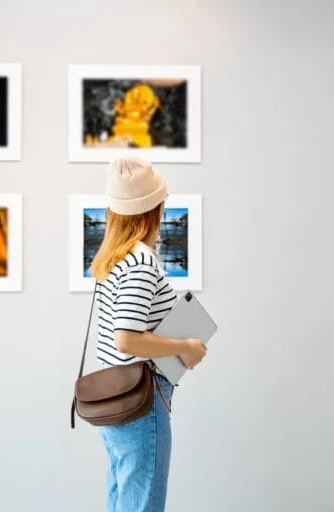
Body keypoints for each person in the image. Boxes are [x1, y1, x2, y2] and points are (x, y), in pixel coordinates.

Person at [89, 156, 207, 511]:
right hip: (141, 403)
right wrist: (186, 345)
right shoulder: (141, 260)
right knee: (143, 504)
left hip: (116, 400)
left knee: (124, 499)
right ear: (152, 208)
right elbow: (125, 338)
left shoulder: (113, 259)